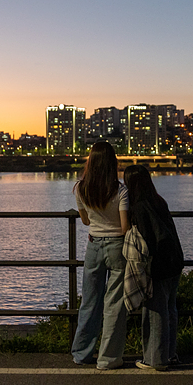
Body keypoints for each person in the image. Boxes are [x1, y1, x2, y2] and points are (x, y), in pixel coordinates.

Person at [71, 141, 130, 370]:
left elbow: (85, 220)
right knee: (114, 304)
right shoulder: (121, 190)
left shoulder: (81, 189)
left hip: (93, 246)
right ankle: (108, 358)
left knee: (90, 301)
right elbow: (125, 227)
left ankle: (81, 353)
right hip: (117, 247)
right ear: (112, 163)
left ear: (91, 162)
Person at [122, 164, 184, 371]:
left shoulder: (139, 207)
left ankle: (155, 359)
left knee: (155, 311)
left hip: (158, 263)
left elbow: (145, 240)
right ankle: (169, 353)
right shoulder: (159, 201)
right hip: (174, 259)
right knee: (170, 309)